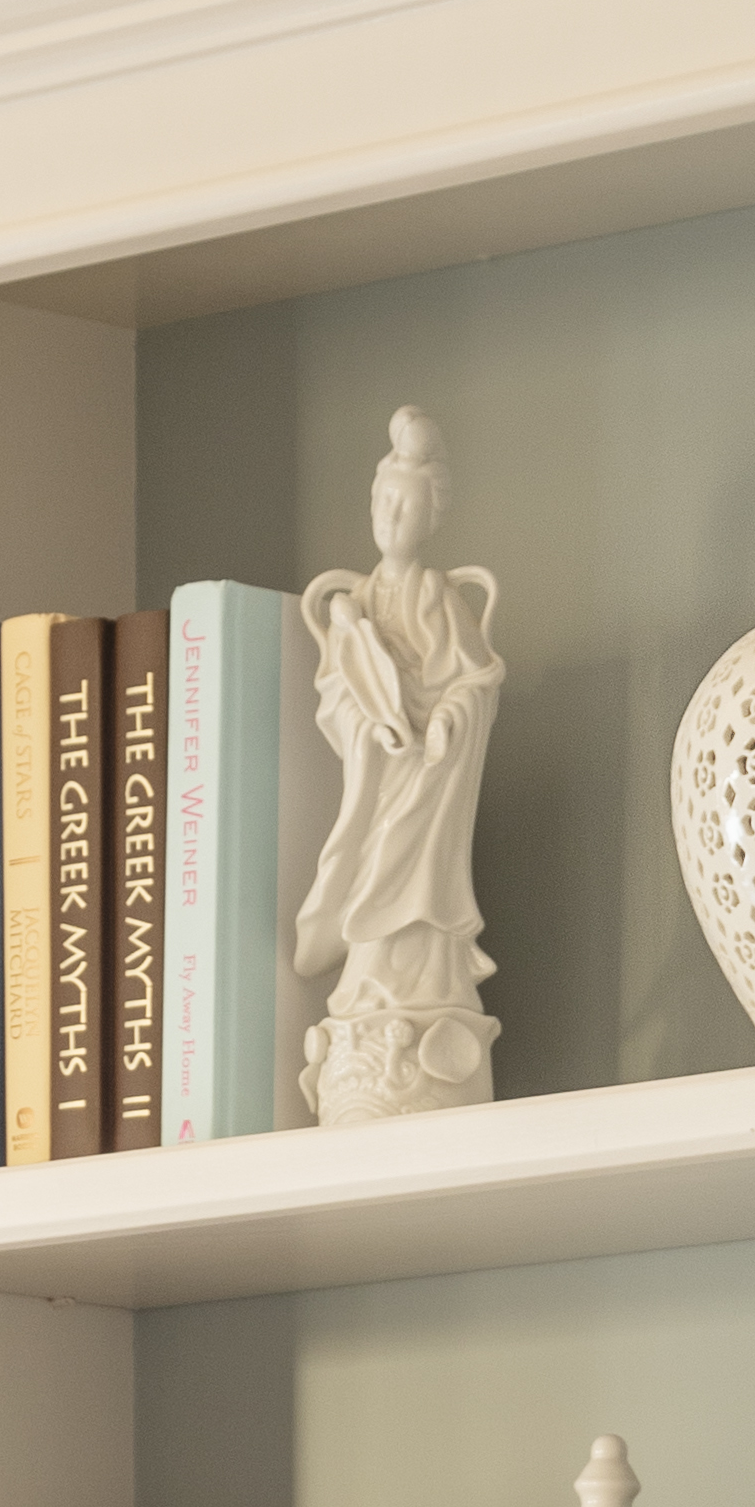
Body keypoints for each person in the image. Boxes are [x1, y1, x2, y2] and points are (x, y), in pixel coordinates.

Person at [285, 409, 503, 1120]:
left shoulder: (436, 598)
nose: (390, 516)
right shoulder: (357, 603)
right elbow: (335, 695)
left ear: (429, 516)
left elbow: (475, 680)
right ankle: (367, 997)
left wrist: (443, 721)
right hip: (379, 771)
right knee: (368, 872)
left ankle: (421, 1005)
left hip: (428, 778)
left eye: (405, 505)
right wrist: (367, 729)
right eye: (382, 501)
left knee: (415, 881)